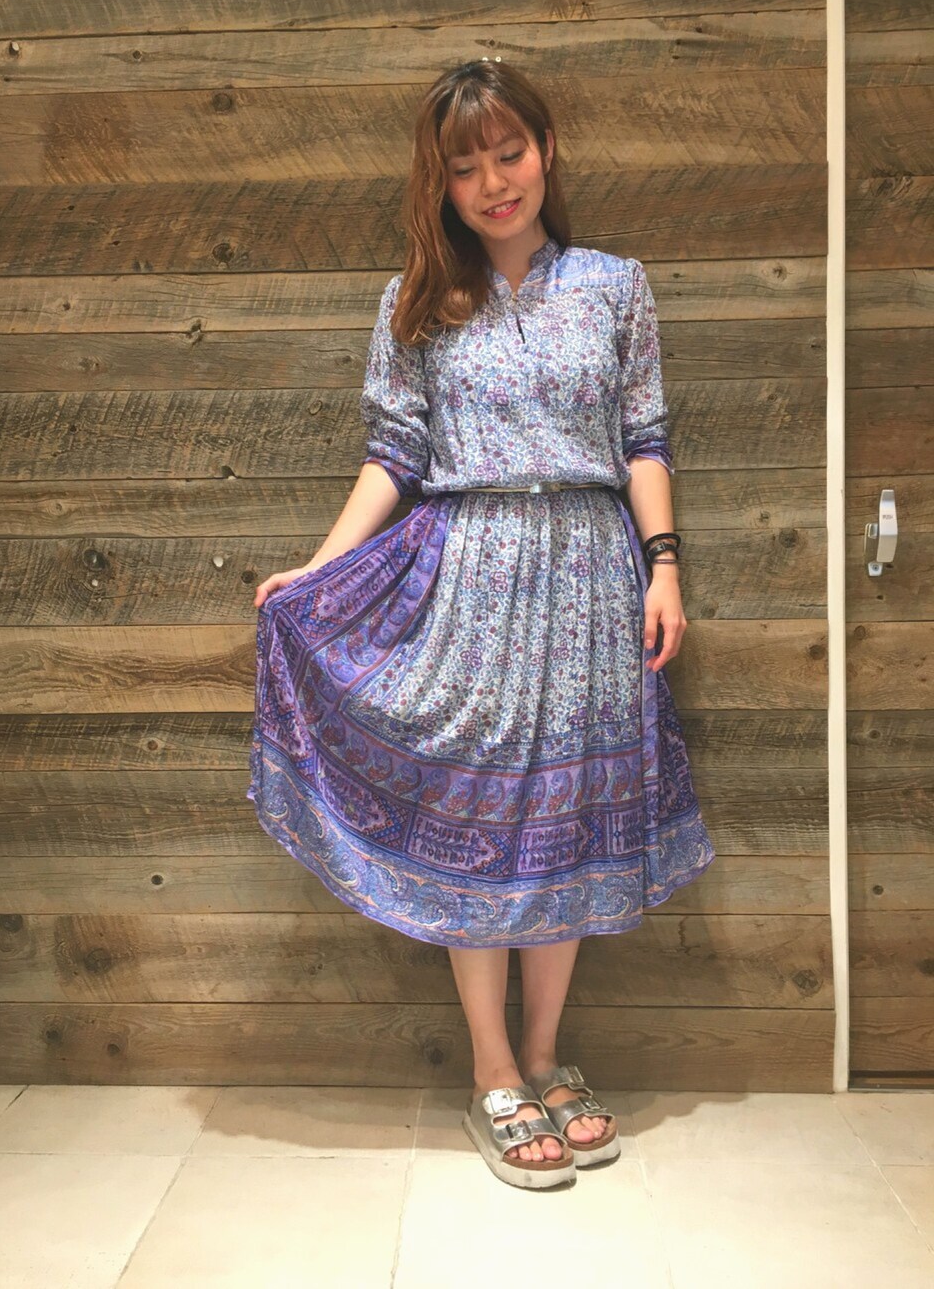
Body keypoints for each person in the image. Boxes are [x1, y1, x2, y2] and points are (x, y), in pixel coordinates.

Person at [248, 59, 716, 1190]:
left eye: (510, 154)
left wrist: (663, 566)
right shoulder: (419, 301)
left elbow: (642, 437)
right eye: (466, 167)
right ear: (442, 185)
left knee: (565, 820)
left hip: (593, 576)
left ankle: (549, 1057)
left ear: (546, 152)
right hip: (471, 579)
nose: (494, 182)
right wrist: (316, 571)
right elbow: (393, 457)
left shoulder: (614, 286)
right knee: (480, 812)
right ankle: (494, 1071)